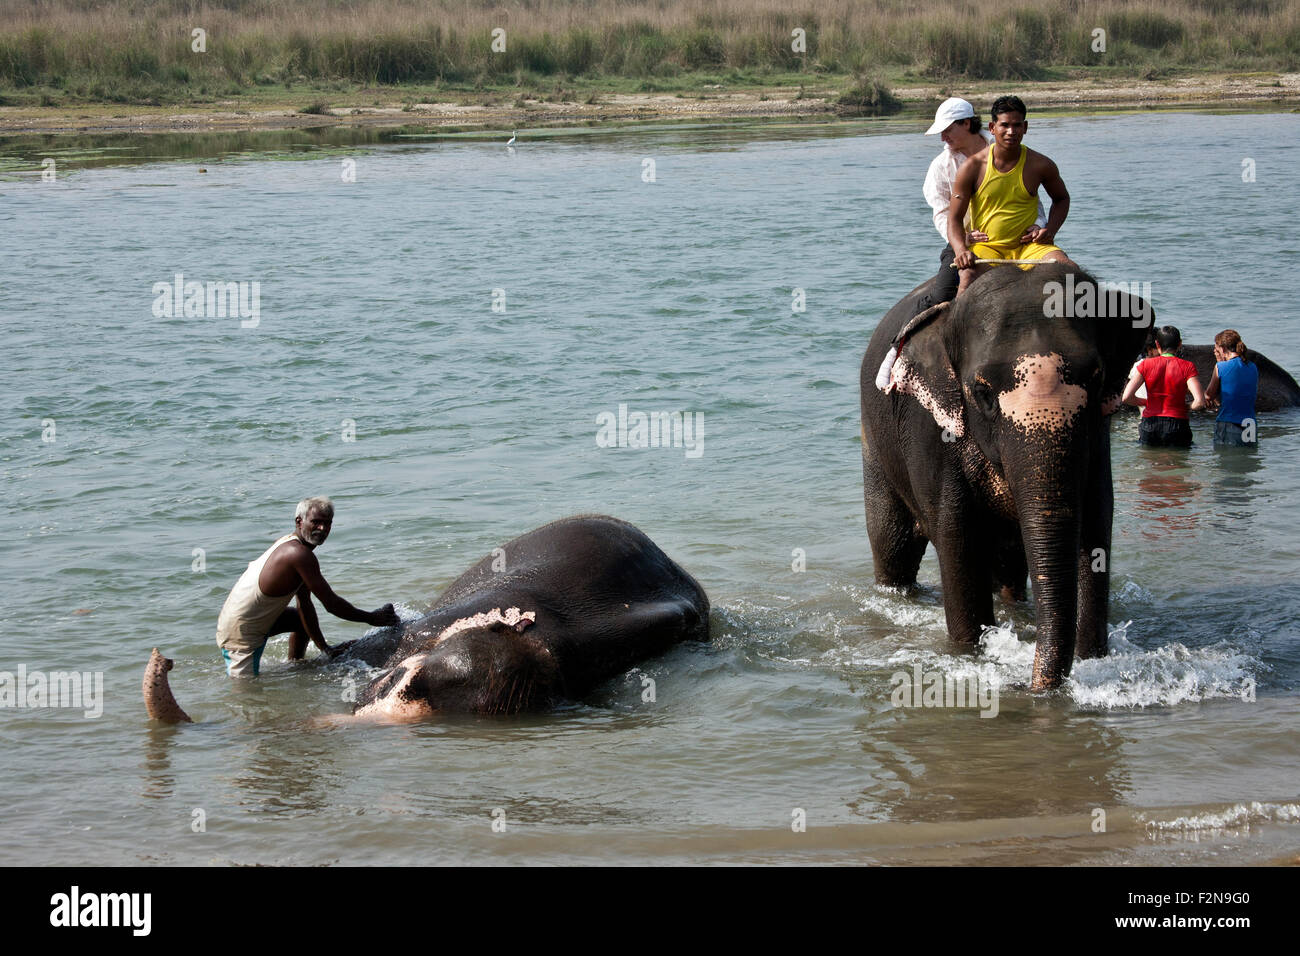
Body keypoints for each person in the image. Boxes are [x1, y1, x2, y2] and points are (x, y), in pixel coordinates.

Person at [214, 496, 399, 677]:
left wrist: (325, 649)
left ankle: (296, 667)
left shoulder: (293, 545)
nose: (323, 528)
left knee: (298, 618)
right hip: (241, 633)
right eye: (316, 522)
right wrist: (372, 618)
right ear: (299, 521)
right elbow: (331, 604)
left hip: (249, 619)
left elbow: (304, 603)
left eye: (328, 523)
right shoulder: (299, 555)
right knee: (246, 695)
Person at [918, 96, 1047, 310]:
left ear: (967, 123)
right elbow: (942, 214)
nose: (943, 137)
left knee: (1064, 276)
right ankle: (899, 341)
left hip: (1017, 238)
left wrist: (1040, 224)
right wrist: (963, 240)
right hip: (967, 240)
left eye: (947, 130)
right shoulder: (940, 167)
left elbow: (1029, 194)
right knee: (941, 294)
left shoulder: (1006, 147)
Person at [948, 95, 1077, 296]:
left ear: (1025, 127)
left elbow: (1061, 199)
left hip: (1030, 248)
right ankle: (952, 327)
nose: (1011, 132)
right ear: (992, 127)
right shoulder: (972, 167)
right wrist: (960, 251)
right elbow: (954, 219)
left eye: (1017, 125)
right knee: (966, 277)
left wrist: (1049, 230)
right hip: (988, 249)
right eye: (1004, 125)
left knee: (1070, 270)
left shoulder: (1041, 164)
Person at [1121, 325, 1207, 447]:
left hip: (1150, 424)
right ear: (1180, 344)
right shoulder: (1188, 366)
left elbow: (1126, 397)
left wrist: (1147, 402)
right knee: (1178, 464)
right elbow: (1199, 402)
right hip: (1177, 424)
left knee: (1151, 463)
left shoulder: (1145, 365)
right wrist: (1185, 406)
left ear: (1157, 344)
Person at [1205, 328, 1259, 446]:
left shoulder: (1221, 366)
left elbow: (1209, 395)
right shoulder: (1253, 367)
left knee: (1226, 461)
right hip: (1250, 423)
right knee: (1248, 461)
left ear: (1223, 348)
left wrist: (1219, 362)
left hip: (1230, 423)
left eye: (1217, 349)